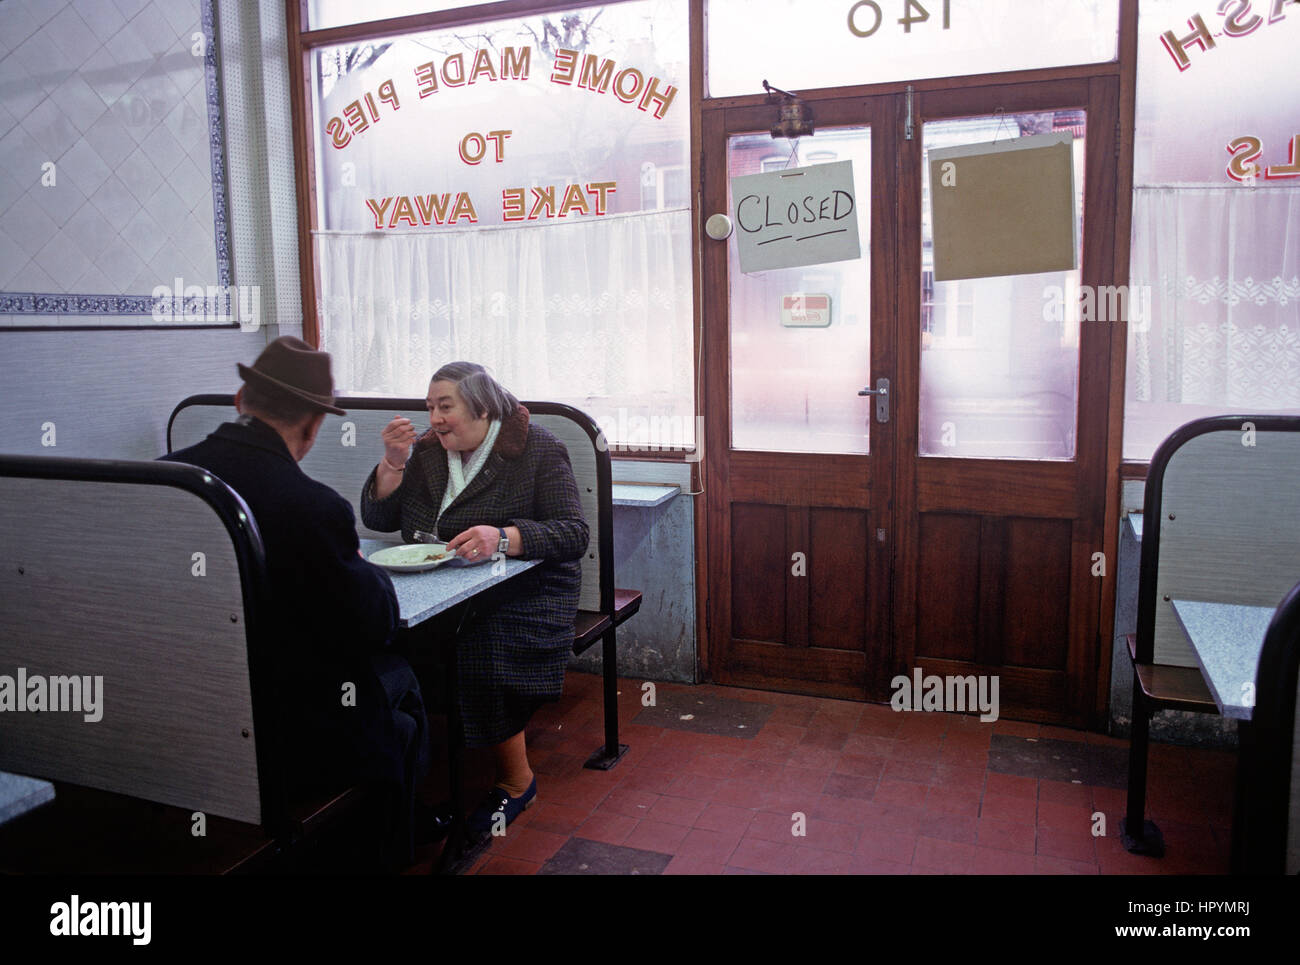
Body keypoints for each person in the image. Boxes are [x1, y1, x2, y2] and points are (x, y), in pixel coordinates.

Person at [162, 336, 430, 869]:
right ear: (313, 425)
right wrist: (364, 571)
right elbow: (371, 624)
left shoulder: (165, 480)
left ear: (240, 400)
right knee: (401, 679)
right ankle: (396, 842)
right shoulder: (310, 506)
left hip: (181, 707)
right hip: (287, 731)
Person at [360, 361, 588, 832]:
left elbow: (573, 533)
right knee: (376, 632)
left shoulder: (537, 448)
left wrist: (502, 537)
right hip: (439, 583)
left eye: (446, 406)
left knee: (480, 645)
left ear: (483, 407)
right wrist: (393, 462)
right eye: (430, 408)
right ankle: (409, 781)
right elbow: (379, 521)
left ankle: (515, 781)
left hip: (527, 587)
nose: (435, 418)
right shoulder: (425, 453)